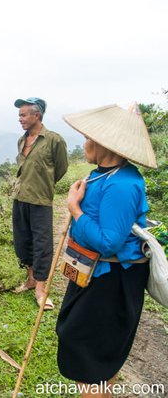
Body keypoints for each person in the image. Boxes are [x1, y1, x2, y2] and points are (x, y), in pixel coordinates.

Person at [56, 103, 157, 398]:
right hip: (94, 277)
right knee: (88, 352)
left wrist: (74, 209)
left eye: (88, 138)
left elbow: (109, 242)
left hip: (111, 284)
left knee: (89, 359)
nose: (84, 143)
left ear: (104, 144)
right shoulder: (101, 175)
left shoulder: (123, 185)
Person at [12, 97, 68, 310]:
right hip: (19, 198)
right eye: (19, 115)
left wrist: (43, 184)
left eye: (24, 115)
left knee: (42, 244)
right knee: (22, 241)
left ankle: (41, 289)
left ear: (37, 115)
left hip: (41, 200)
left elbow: (61, 168)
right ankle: (31, 279)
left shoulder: (54, 140)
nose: (20, 119)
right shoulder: (21, 140)